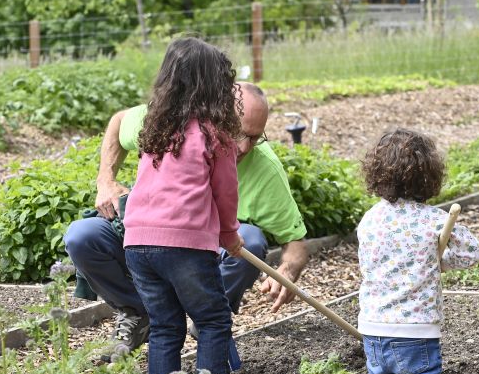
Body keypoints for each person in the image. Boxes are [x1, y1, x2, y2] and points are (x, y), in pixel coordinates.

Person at [64, 80, 309, 351]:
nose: (244, 147)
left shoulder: (265, 169)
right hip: (153, 238)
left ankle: (207, 318)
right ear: (216, 114)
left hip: (207, 253)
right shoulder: (173, 125)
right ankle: (138, 311)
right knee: (81, 236)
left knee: (249, 239)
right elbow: (120, 120)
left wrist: (286, 270)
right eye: (238, 132)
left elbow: (296, 242)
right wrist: (105, 180)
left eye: (255, 137)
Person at [122, 37, 244, 374]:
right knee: (212, 321)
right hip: (184, 246)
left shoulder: (156, 131)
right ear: (213, 86)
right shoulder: (212, 135)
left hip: (138, 242)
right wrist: (229, 234)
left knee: (164, 326)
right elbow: (225, 192)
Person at [357, 129, 479, 374]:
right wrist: (440, 259)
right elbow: (472, 253)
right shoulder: (434, 221)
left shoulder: (370, 220)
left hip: (374, 325)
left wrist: (430, 260)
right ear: (429, 174)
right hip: (417, 328)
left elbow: (369, 264)